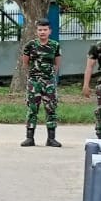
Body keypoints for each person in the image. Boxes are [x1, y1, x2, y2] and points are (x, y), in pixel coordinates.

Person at [20, 19, 63, 147]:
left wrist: (50, 77)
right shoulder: (30, 45)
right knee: (32, 109)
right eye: (40, 30)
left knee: (51, 108)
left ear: (50, 31)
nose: (42, 32)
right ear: (36, 31)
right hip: (34, 82)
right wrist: (32, 77)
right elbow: (25, 63)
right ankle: (29, 138)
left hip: (49, 82)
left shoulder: (55, 45)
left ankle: (51, 138)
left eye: (45, 30)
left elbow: (57, 64)